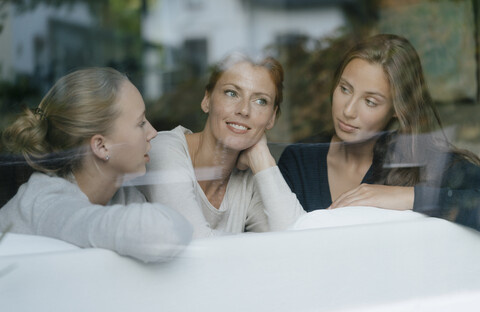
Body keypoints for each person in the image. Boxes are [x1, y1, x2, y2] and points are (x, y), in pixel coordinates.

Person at [278, 34, 480, 231]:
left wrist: (404, 197)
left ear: (396, 109)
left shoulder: (421, 160)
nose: (348, 111)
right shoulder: (299, 161)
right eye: (345, 89)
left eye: (370, 102)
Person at [0, 67, 193, 262]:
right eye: (140, 123)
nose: (153, 133)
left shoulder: (123, 195)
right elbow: (162, 234)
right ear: (101, 146)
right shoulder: (45, 204)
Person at [139, 53, 304, 238]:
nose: (244, 110)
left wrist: (262, 157)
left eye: (260, 101)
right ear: (207, 100)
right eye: (232, 93)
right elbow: (197, 245)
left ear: (271, 117)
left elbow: (298, 239)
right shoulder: (162, 150)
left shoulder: (248, 180)